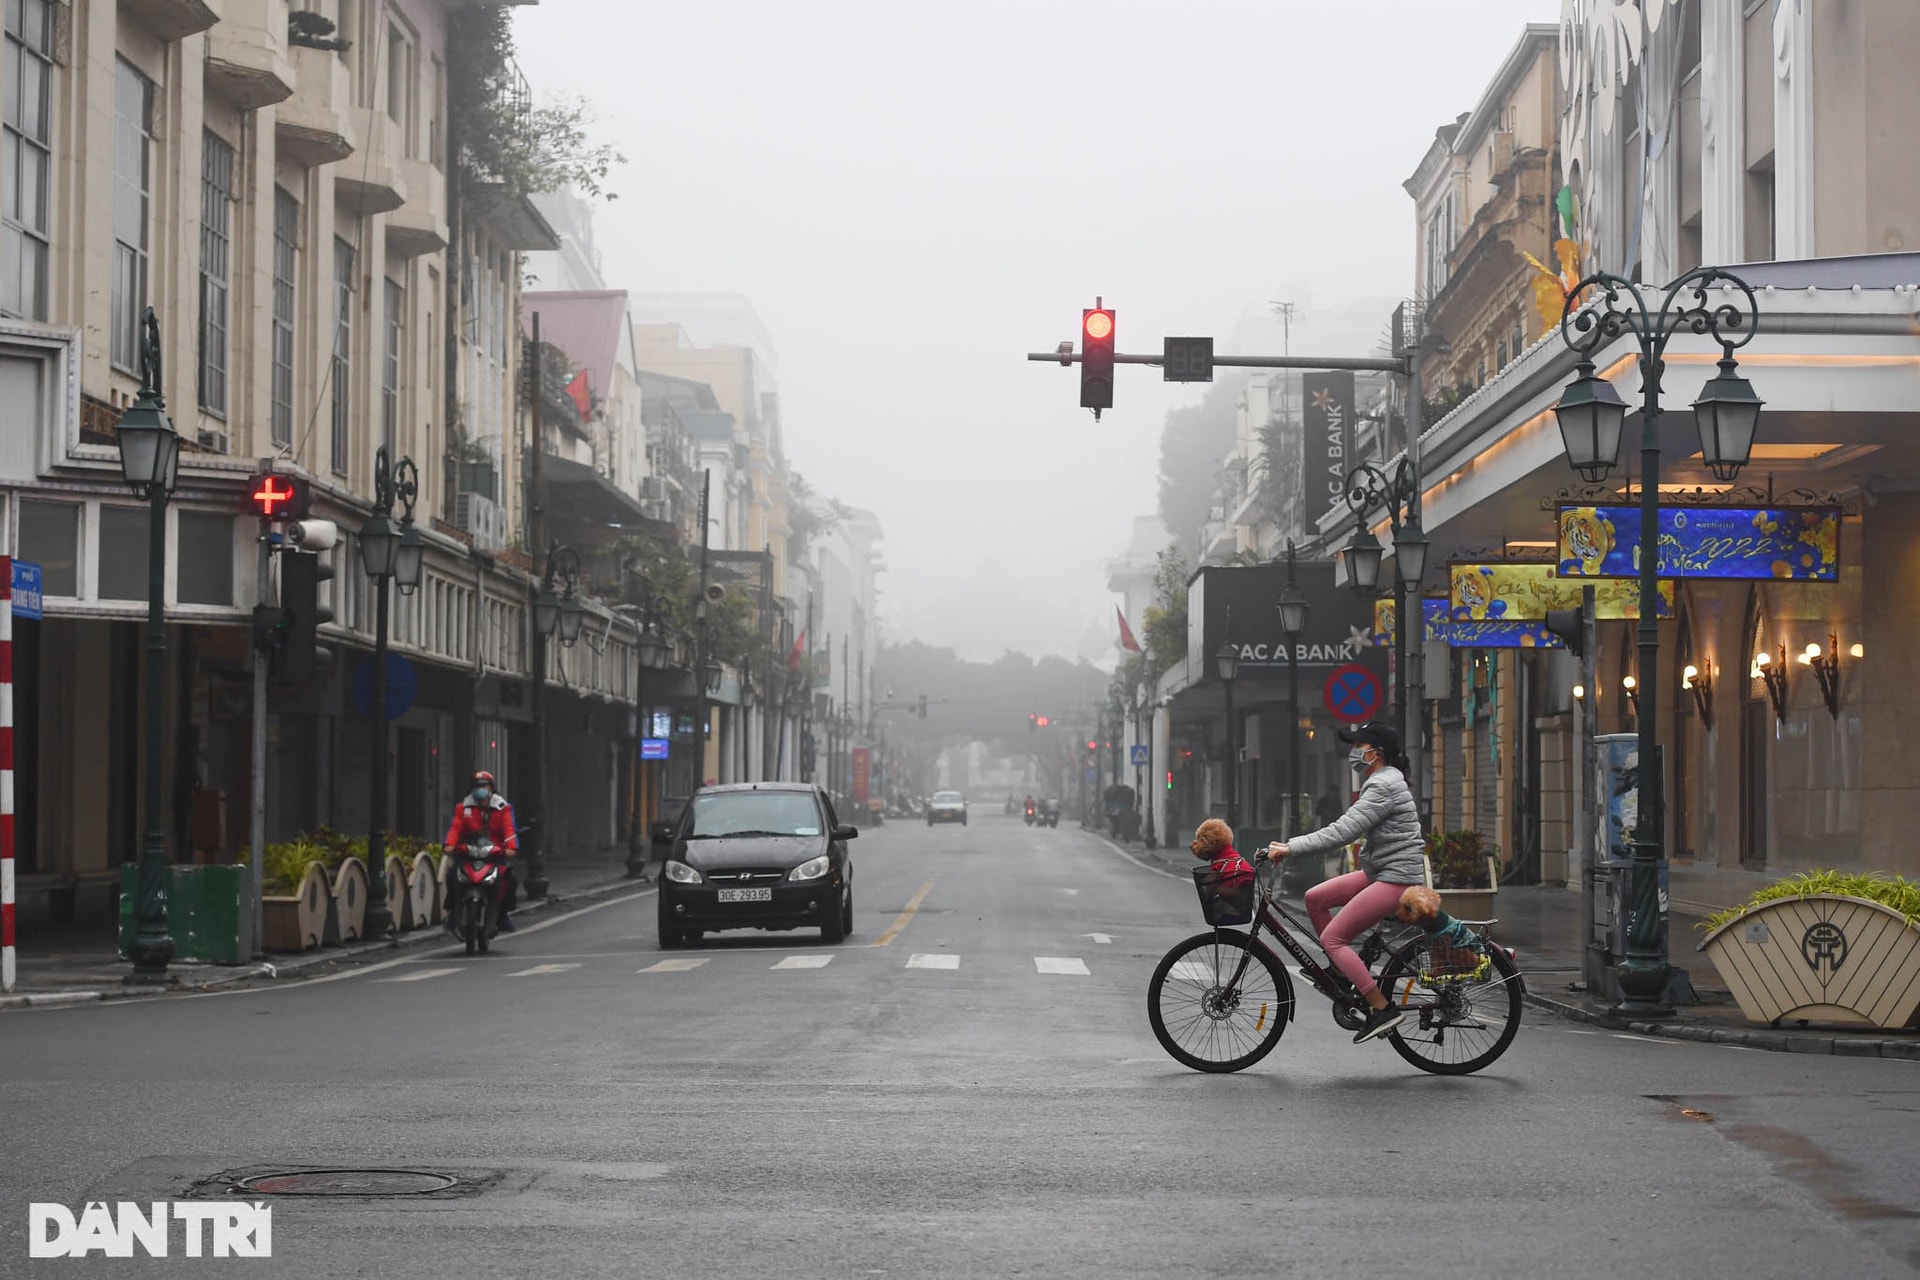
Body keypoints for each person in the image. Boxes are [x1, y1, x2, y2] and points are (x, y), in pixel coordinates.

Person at [1264, 723, 1425, 1044]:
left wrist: (1290, 847)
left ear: (1376, 754)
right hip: (1380, 871)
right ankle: (1340, 972)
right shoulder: (1381, 780)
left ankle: (1381, 1009)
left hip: (1397, 878)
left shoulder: (1384, 786)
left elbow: (1343, 831)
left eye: (1358, 745)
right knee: (1315, 898)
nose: (1353, 752)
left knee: (1335, 939)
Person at [444, 770, 521, 933]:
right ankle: (452, 913)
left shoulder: (503, 808)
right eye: (477, 786)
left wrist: (511, 848)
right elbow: (455, 828)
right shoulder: (463, 808)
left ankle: (502, 915)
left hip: (495, 854)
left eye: (484, 786)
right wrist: (449, 845)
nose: (481, 789)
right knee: (452, 875)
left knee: (510, 879)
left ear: (491, 788)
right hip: (469, 853)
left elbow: (509, 829)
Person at [1188, 817, 1254, 889]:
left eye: (1200, 840)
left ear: (1210, 842)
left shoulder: (1219, 863)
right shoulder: (1234, 856)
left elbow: (1209, 887)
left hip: (1231, 894)